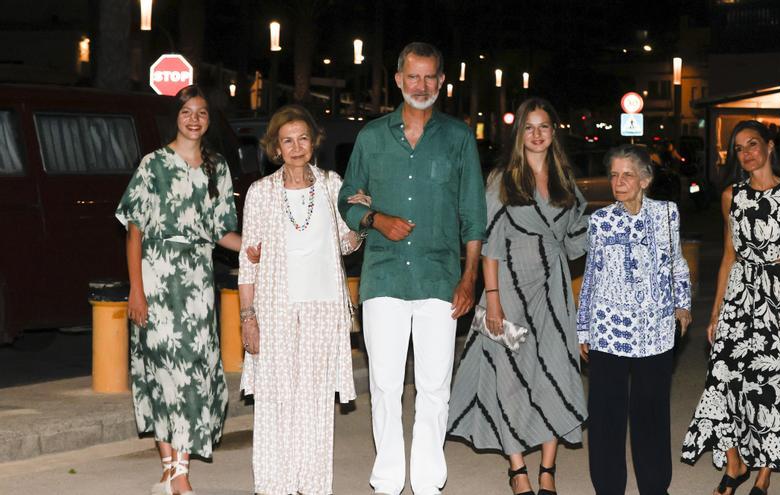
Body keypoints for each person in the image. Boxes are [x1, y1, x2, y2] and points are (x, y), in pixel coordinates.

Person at [338, 41, 487, 495]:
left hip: (440, 280)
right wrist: (375, 219)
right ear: (399, 80)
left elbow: (474, 215)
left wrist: (469, 278)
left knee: (434, 387)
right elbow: (347, 199)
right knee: (384, 386)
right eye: (412, 77)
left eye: (429, 77)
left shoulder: (459, 138)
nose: (421, 85)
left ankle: (426, 483)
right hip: (383, 277)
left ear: (441, 83)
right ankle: (386, 481)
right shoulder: (371, 137)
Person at [681, 120, 780, 494]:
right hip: (739, 293)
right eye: (739, 149)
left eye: (752, 145)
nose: (746, 153)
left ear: (768, 147)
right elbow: (729, 256)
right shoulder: (732, 195)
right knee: (723, 377)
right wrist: (715, 313)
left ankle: (764, 473)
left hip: (779, 294)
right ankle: (736, 464)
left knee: (774, 382)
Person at [447, 98, 589, 495]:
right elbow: (490, 244)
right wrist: (492, 300)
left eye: (544, 126)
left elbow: (580, 234)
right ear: (519, 134)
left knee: (556, 372)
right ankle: (517, 468)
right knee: (509, 377)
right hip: (509, 288)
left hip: (554, 292)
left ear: (553, 133)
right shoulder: (502, 180)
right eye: (529, 127)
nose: (537, 134)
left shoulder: (565, 181)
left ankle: (547, 467)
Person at [237, 105, 369, 495]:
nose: (296, 147)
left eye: (303, 138)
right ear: (276, 148)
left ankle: (312, 486)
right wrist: (248, 317)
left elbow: (346, 245)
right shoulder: (261, 193)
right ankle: (274, 485)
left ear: (314, 142)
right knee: (276, 404)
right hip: (276, 310)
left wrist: (360, 219)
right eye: (287, 140)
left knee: (313, 406)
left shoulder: (332, 185)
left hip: (323, 309)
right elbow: (249, 260)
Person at [116, 85, 241, 495]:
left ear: (209, 120)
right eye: (187, 111)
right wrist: (136, 290)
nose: (194, 119)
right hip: (155, 276)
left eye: (201, 113)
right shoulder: (153, 165)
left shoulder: (216, 168)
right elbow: (134, 232)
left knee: (194, 373)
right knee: (161, 372)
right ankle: (174, 473)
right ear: (177, 116)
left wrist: (259, 248)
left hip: (197, 282)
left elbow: (222, 232)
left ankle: (177, 473)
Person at [576, 144, 692, 495]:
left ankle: (655, 487)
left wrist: (683, 306)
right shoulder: (600, 220)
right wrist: (583, 327)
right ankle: (608, 489)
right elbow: (591, 277)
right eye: (614, 174)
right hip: (608, 329)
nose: (619, 181)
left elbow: (677, 263)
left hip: (655, 331)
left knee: (651, 415)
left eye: (627, 174)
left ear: (645, 179)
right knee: (607, 417)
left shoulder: (667, 214)